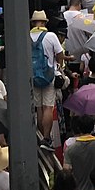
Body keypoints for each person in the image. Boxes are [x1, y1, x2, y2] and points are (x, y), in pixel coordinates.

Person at [30, 10, 65, 140]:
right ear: (45, 22)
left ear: (33, 23)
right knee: (48, 108)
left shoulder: (26, 36)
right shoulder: (51, 36)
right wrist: (58, 67)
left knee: (39, 108)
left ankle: (39, 136)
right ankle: (46, 137)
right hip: (49, 76)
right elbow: (60, 55)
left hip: (33, 76)